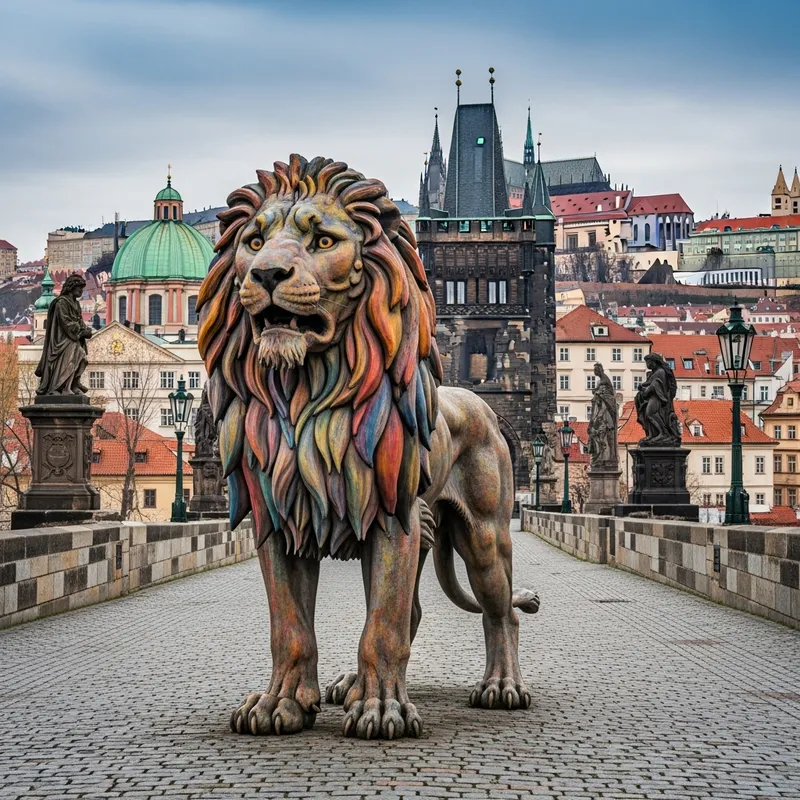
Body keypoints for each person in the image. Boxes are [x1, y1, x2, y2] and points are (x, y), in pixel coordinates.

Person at [35, 274, 94, 396]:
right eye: (79, 289)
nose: (81, 292)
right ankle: (59, 387)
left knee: (81, 358)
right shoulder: (61, 302)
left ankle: (73, 383)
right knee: (71, 359)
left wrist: (86, 329)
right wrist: (81, 331)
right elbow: (66, 322)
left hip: (74, 338)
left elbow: (79, 320)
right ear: (72, 288)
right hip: (63, 339)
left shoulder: (76, 304)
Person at [588, 363, 618, 468]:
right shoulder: (600, 382)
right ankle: (600, 457)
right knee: (597, 435)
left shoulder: (605, 380)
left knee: (607, 434)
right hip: (600, 411)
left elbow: (609, 397)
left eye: (595, 370)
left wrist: (599, 394)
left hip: (606, 414)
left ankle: (609, 457)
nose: (594, 372)